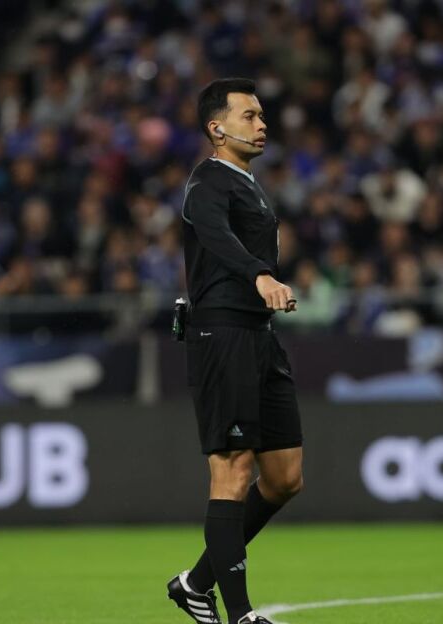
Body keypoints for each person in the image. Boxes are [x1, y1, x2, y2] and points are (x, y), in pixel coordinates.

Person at [167, 78, 303, 624]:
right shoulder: (207, 182)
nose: (262, 124)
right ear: (216, 129)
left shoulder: (248, 184)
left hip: (259, 336)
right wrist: (259, 274)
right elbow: (217, 236)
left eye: (262, 115)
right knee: (233, 471)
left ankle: (195, 584)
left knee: (285, 478)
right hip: (221, 335)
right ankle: (241, 615)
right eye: (249, 116)